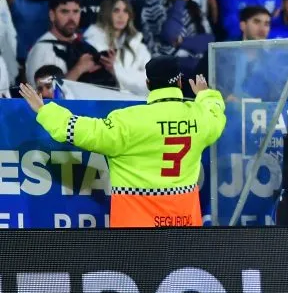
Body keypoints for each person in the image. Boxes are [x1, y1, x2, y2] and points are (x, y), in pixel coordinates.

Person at [19, 56, 226, 227]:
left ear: (148, 84)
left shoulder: (128, 120)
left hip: (134, 230)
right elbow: (216, 114)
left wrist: (45, 110)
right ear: (180, 82)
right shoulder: (200, 117)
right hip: (185, 224)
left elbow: (80, 130)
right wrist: (205, 95)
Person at [26, 0, 116, 89]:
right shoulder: (42, 50)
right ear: (52, 15)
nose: (71, 18)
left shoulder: (85, 45)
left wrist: (112, 69)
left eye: (76, 11)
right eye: (65, 12)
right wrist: (78, 69)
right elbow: (41, 96)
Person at [83, 0, 152, 96]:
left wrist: (116, 70)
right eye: (116, 10)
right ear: (106, 13)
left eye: (125, 11)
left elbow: (149, 82)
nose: (121, 16)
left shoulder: (138, 46)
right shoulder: (93, 42)